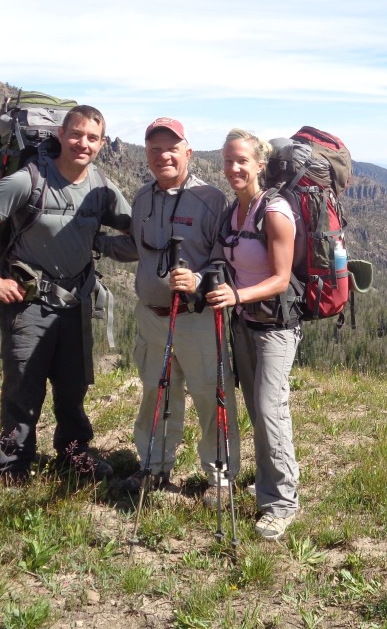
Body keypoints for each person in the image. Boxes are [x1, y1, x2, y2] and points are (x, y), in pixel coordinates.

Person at [0, 105, 132, 482]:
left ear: (102, 144)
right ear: (60, 135)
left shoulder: (101, 188)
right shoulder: (29, 179)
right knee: (23, 389)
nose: (82, 143)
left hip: (76, 304)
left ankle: (73, 455)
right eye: (76, 134)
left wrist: (101, 241)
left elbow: (136, 231)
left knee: (72, 389)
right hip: (28, 305)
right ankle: (13, 468)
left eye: (92, 138)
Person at [96, 117, 240, 493]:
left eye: (171, 149)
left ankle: (220, 477)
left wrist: (197, 280)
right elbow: (138, 248)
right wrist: (96, 244)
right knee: (156, 395)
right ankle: (153, 468)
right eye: (155, 150)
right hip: (153, 318)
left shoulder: (210, 200)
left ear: (187, 153)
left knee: (212, 397)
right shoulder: (143, 197)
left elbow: (224, 261)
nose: (164, 156)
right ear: (147, 156)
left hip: (197, 319)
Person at [206, 128, 302, 541]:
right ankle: (267, 484)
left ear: (260, 164)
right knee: (257, 410)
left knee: (269, 411)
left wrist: (236, 294)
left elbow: (281, 279)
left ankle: (281, 504)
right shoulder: (234, 210)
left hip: (275, 329)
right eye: (228, 161)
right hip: (243, 324)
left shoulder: (275, 211)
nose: (233, 168)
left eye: (242, 161)